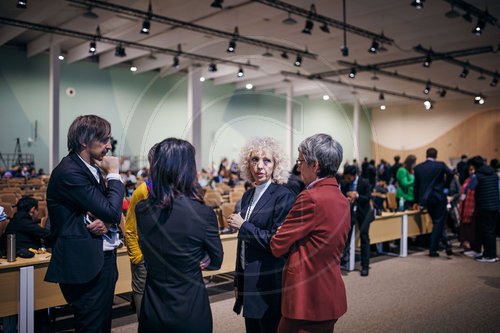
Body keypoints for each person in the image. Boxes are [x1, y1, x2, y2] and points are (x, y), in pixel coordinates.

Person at [44, 115, 124, 332]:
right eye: (105, 139)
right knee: (91, 327)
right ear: (84, 140)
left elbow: (108, 213)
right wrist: (115, 174)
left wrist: (107, 223)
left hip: (99, 259)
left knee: (100, 325)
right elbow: (112, 210)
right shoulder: (70, 170)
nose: (109, 146)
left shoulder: (91, 168)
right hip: (84, 264)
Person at [135, 138, 223, 332]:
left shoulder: (141, 210)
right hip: (190, 309)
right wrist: (205, 255)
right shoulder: (203, 212)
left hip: (153, 309)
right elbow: (217, 261)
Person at [270, 133, 351, 333]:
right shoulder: (341, 198)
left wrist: (284, 234)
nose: (298, 168)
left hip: (307, 297)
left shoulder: (310, 198)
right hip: (329, 291)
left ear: (315, 165)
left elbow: (277, 245)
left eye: (300, 161)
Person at [227, 137, 295, 333]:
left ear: (275, 165)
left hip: (268, 282)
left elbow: (277, 243)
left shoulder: (283, 196)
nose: (259, 166)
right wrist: (238, 281)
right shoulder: (248, 195)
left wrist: (244, 225)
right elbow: (243, 246)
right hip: (249, 281)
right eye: (254, 160)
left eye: (267, 161)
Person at [124, 144, 156, 319]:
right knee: (143, 304)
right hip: (143, 257)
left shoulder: (172, 190)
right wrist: (138, 258)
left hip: (163, 256)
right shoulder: (141, 192)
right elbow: (130, 228)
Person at [413, 148, 453, 257]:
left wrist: (416, 201)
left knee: (436, 222)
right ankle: (434, 249)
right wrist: (445, 186)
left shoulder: (418, 168)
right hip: (439, 197)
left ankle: (446, 242)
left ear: (426, 155)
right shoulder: (440, 165)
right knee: (438, 222)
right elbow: (451, 173)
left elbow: (415, 186)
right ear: (436, 155)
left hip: (425, 199)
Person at [341, 165, 374, 276]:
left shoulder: (364, 182)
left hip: (363, 213)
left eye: (349, 178)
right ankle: (345, 257)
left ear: (355, 175)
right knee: (346, 235)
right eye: (345, 178)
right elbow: (341, 195)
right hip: (350, 213)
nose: (347, 180)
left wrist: (357, 195)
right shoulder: (345, 183)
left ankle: (365, 266)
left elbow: (368, 197)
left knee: (364, 237)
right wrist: (347, 197)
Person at [467, 156, 499, 262]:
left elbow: (471, 187)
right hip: (494, 206)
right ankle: (492, 254)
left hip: (484, 206)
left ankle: (489, 256)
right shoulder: (494, 173)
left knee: (485, 231)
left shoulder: (477, 176)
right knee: (492, 231)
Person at [459, 163, 479, 256]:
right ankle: (471, 248)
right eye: (470, 170)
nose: (472, 171)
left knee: (473, 230)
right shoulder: (467, 180)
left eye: (473, 169)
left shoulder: (477, 180)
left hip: (473, 208)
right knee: (467, 230)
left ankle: (475, 249)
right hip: (465, 208)